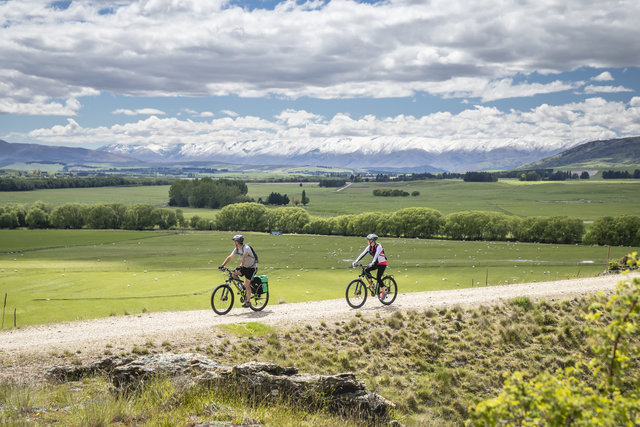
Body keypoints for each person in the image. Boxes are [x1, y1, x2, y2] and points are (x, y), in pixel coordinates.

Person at [219, 234, 258, 308]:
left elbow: (244, 257)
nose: (234, 243)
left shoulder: (246, 248)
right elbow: (230, 257)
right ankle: (242, 287)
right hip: (244, 267)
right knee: (233, 274)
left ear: (238, 242)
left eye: (234, 241)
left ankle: (248, 301)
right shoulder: (236, 249)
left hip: (252, 268)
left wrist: (240, 266)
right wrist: (222, 265)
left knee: (247, 284)